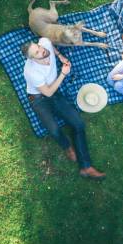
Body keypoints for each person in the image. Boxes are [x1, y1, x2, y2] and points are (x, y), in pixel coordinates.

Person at [22, 37, 105, 180]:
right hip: (38, 98)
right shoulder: (32, 72)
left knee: (78, 124)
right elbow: (47, 92)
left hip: (54, 91)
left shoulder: (45, 44)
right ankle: (67, 146)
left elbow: (48, 44)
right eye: (37, 52)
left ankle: (86, 167)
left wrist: (60, 56)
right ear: (32, 59)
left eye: (39, 47)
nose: (42, 50)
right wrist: (63, 74)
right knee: (54, 129)